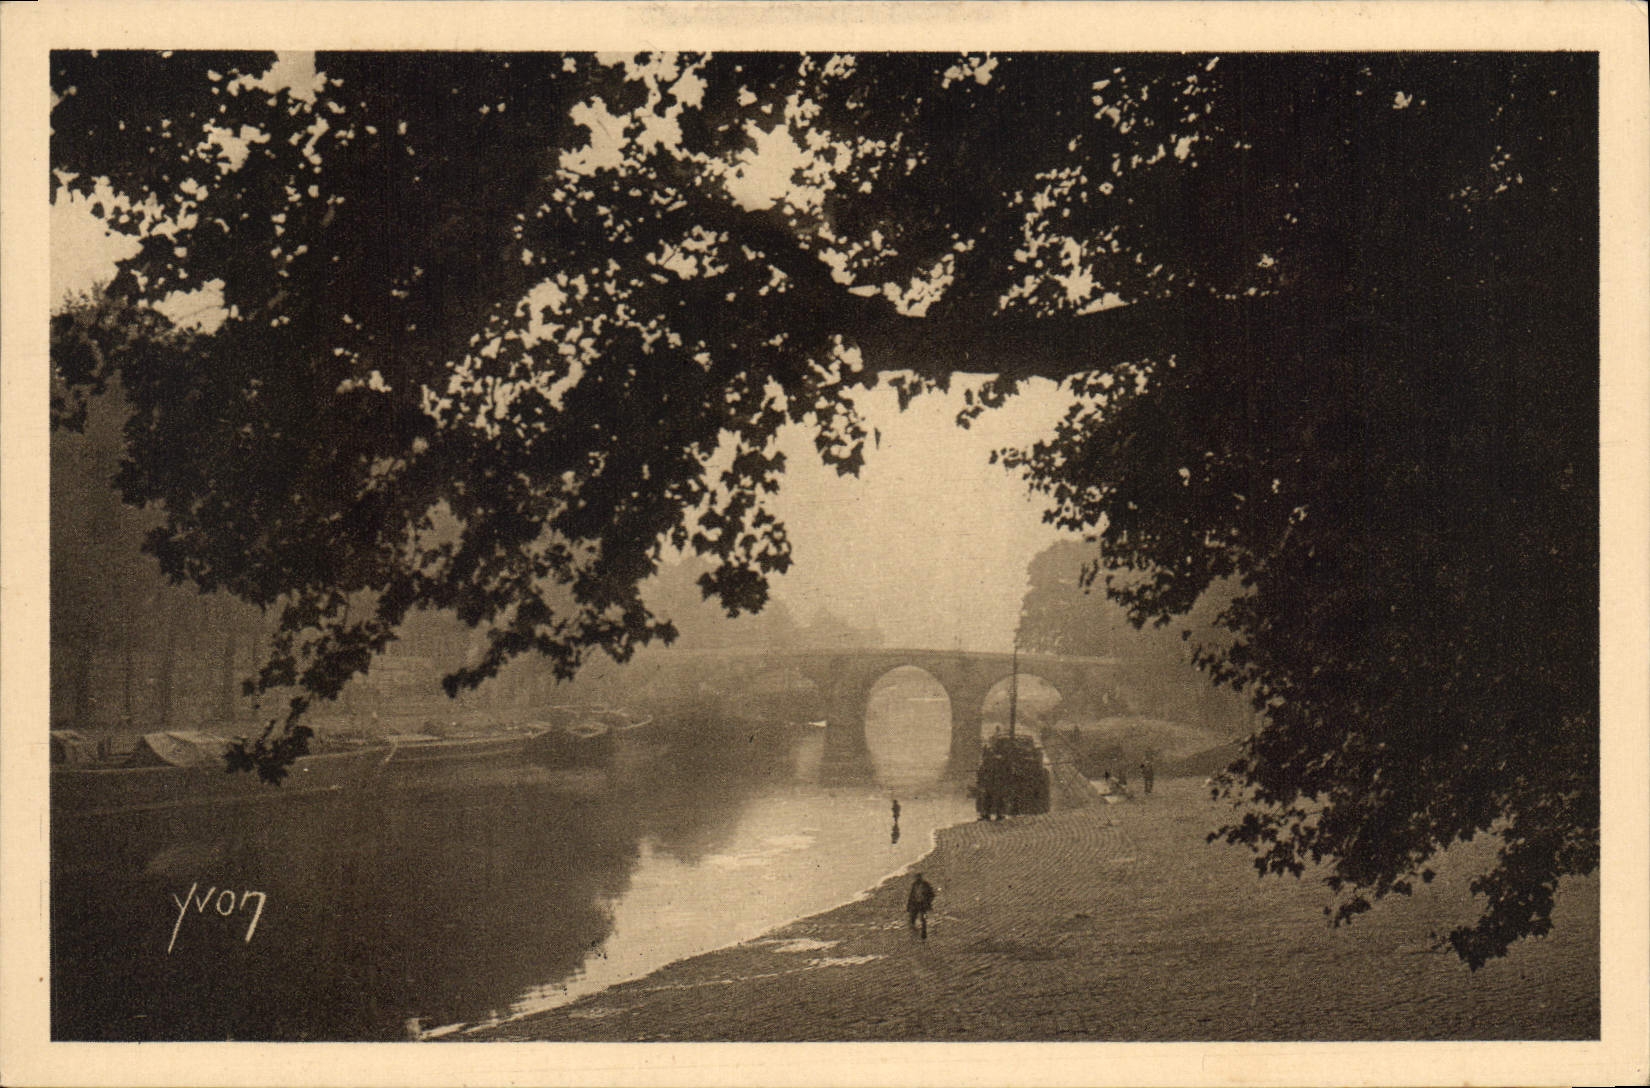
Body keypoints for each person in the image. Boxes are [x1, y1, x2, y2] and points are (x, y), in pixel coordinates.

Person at [906, 872, 936, 939]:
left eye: (918, 877)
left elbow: (932, 894)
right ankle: (914, 931)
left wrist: (928, 901)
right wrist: (909, 905)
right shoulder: (914, 885)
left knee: (923, 918)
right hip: (916, 904)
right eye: (917, 878)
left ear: (920, 878)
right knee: (913, 918)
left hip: (923, 904)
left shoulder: (925, 885)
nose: (917, 879)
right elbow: (911, 896)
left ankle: (923, 933)